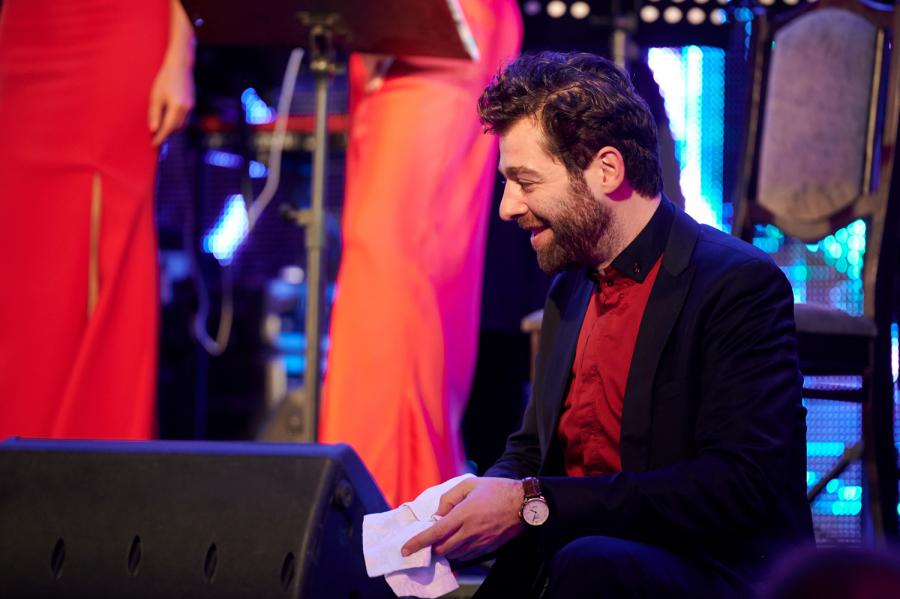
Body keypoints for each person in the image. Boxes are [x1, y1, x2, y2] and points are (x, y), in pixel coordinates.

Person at [401, 52, 814, 597]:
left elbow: (736, 485)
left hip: (708, 568)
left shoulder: (737, 285)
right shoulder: (569, 290)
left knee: (588, 563)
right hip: (585, 559)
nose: (507, 207)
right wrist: (485, 496)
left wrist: (531, 503)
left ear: (607, 171)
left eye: (525, 181)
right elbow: (531, 451)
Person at [318, 0, 522, 507]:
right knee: (382, 263)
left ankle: (394, 494)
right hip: (389, 36)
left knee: (394, 259)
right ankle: (378, 488)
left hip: (436, 35)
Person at [0, 0, 194, 439]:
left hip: (116, 29)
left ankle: (93, 445)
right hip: (27, 30)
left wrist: (181, 56)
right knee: (22, 260)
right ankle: (17, 441)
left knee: (107, 228)